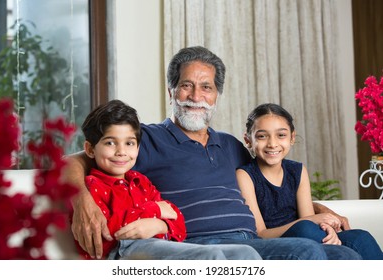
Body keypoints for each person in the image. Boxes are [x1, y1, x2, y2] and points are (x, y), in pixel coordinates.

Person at [66, 46, 361, 260]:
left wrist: (317, 209)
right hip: (199, 246)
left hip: (253, 239)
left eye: (206, 87)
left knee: (349, 255)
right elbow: (75, 160)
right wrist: (82, 201)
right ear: (171, 92)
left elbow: (269, 188)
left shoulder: (231, 144)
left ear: (217, 95)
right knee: (305, 251)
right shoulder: (145, 138)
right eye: (186, 86)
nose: (196, 97)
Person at [75, 99, 262, 260]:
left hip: (158, 244)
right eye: (110, 143)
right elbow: (110, 232)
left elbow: (178, 221)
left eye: (129, 143)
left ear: (138, 148)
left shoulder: (140, 182)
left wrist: (161, 224)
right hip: (123, 253)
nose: (121, 151)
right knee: (210, 258)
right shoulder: (93, 186)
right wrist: (155, 211)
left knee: (246, 254)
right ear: (90, 149)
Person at [236, 102, 383, 260]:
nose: (272, 143)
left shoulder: (297, 170)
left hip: (308, 234)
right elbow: (261, 234)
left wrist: (326, 228)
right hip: (278, 242)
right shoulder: (245, 175)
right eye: (262, 136)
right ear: (248, 140)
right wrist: (312, 220)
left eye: (281, 135)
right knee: (305, 227)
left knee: (361, 237)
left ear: (292, 137)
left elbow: (309, 217)